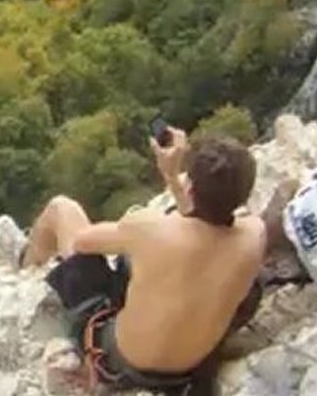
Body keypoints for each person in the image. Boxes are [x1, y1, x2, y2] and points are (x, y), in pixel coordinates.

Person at [16, 127, 266, 394]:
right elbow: (206, 222)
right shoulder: (255, 235)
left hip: (122, 363)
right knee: (252, 284)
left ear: (191, 187)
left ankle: (26, 265)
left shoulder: (151, 228)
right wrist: (172, 178)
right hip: (190, 369)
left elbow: (81, 242)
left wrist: (170, 174)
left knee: (61, 209)